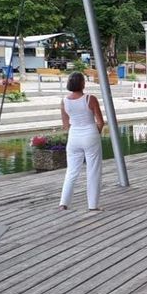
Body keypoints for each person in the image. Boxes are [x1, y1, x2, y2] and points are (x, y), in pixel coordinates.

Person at [59, 72, 104, 211]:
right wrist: (96, 132)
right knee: (93, 171)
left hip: (74, 136)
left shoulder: (64, 101)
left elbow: (65, 125)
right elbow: (100, 122)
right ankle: (92, 206)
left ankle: (63, 203)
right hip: (90, 133)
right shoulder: (90, 99)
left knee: (71, 171)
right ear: (82, 83)